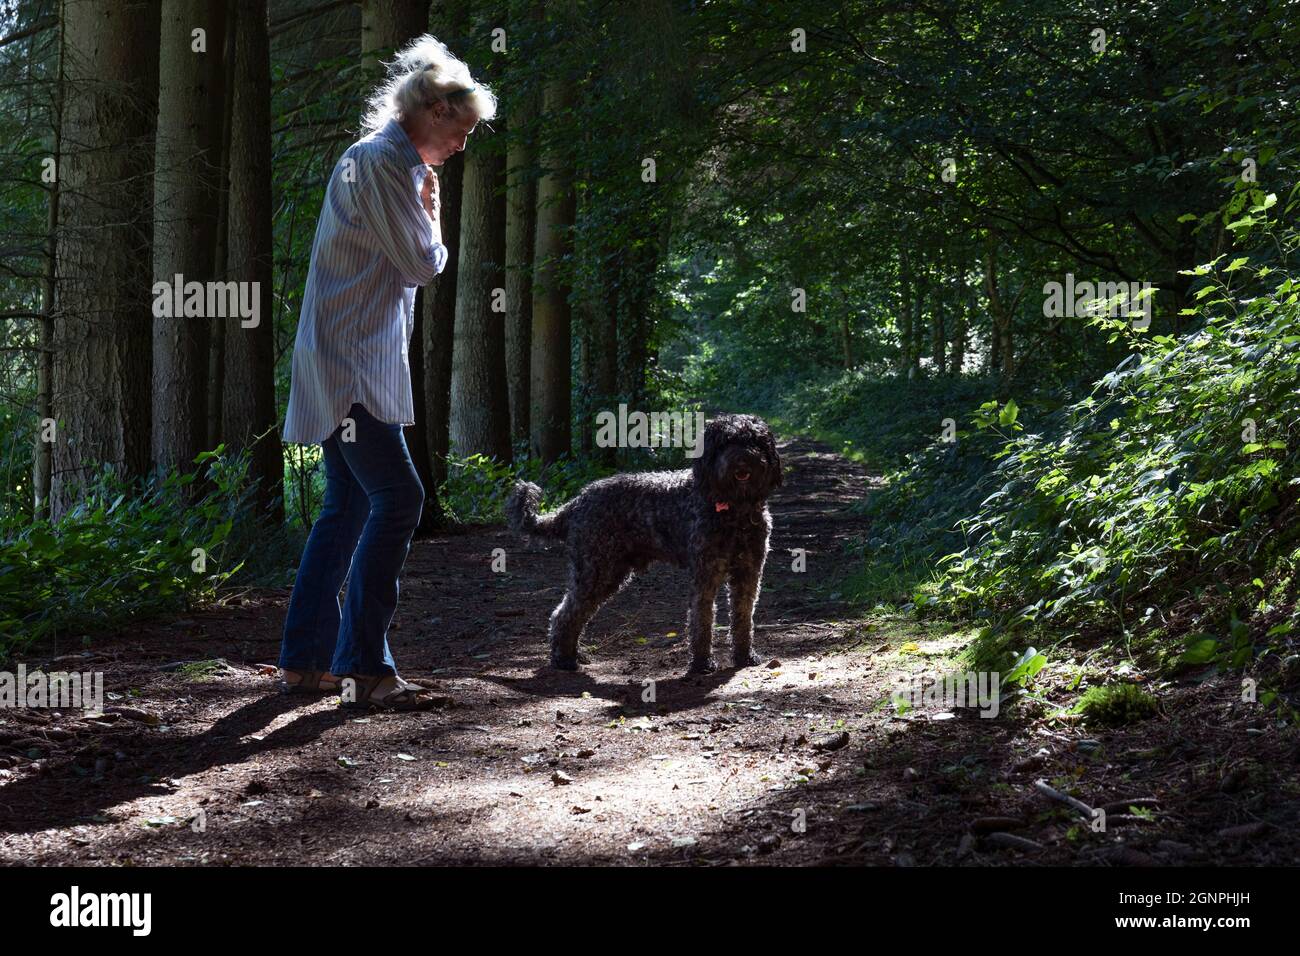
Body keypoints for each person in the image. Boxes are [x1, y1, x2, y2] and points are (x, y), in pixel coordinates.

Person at [277, 36, 497, 710]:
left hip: (349, 358)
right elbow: (422, 264)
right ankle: (365, 665)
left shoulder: (380, 164)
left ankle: (308, 660)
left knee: (347, 507)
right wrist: (432, 216)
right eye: (458, 130)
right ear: (429, 111)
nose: (461, 146)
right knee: (399, 499)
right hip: (350, 367)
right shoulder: (380, 164)